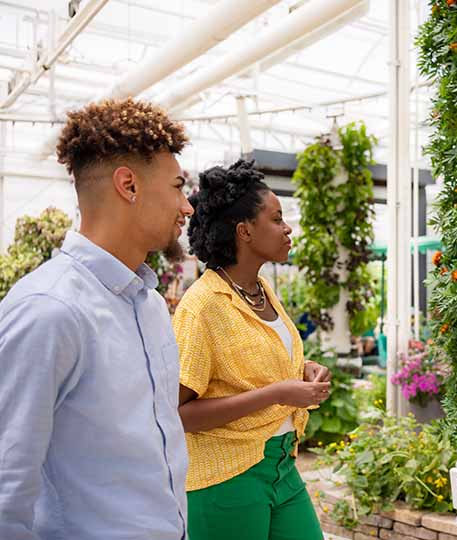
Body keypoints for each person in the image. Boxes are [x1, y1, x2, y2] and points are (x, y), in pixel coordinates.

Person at [0, 98, 192, 539]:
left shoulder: (149, 305)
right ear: (129, 186)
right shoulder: (48, 311)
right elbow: (7, 487)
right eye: (177, 187)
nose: (187, 207)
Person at [173, 159, 330, 540]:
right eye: (277, 219)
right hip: (226, 477)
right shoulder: (202, 306)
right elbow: (179, 413)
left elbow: (250, 362)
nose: (288, 227)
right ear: (244, 231)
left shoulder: (260, 291)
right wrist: (278, 393)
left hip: (281, 465)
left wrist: (303, 369)